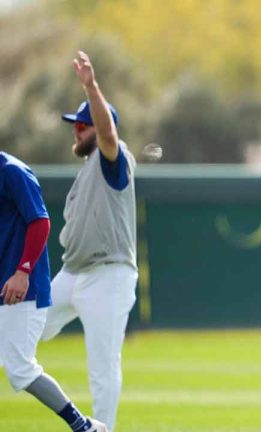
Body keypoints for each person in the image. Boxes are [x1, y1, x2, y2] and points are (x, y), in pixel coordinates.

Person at [40, 50, 138, 431]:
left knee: (102, 365)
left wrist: (90, 86)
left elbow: (109, 135)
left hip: (108, 276)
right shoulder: (86, 170)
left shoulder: (113, 159)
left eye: (82, 125)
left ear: (98, 127)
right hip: (73, 273)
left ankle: (104, 428)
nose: (76, 130)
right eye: (76, 125)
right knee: (20, 328)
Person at [0, 151, 108, 432]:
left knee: (21, 370)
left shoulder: (12, 171)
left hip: (22, 291)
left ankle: (83, 426)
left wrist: (23, 271)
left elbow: (40, 222)